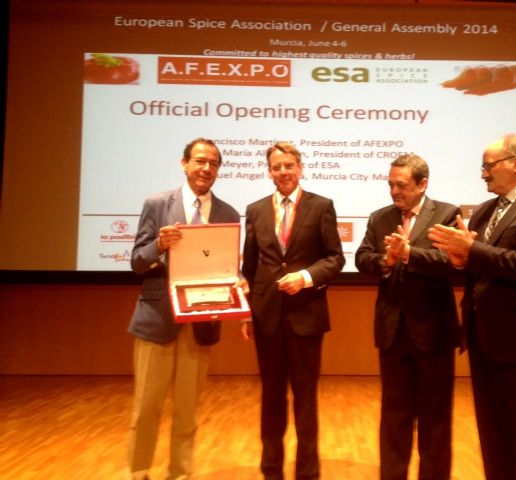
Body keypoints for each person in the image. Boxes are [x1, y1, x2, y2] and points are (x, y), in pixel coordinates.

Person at [428, 134, 516, 480]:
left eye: (488, 166)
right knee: (493, 436)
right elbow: (481, 265)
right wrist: (460, 260)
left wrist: (472, 250)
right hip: (483, 339)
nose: (483, 174)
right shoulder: (484, 211)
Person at [127, 138, 244, 480]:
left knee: (187, 409)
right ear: (184, 163)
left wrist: (238, 281)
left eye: (213, 164)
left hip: (201, 321)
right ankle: (138, 471)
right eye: (199, 161)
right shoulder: (157, 203)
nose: (206, 168)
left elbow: (227, 268)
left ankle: (180, 472)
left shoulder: (227, 214)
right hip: (157, 320)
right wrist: (158, 245)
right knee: (146, 407)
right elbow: (137, 262)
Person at [241, 141, 345, 480]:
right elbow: (249, 268)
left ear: (300, 168)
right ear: (269, 171)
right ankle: (271, 470)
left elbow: (335, 259)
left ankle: (307, 473)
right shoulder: (255, 210)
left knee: (305, 399)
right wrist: (246, 312)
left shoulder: (321, 206)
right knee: (271, 398)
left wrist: (305, 277)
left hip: (307, 316)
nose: (283, 172)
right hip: (267, 317)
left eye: (289, 165)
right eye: (276, 167)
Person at [355, 154, 461, 480]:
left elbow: (451, 262)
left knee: (436, 420)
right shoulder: (380, 217)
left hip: (434, 333)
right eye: (390, 185)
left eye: (401, 185)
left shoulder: (446, 214)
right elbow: (362, 258)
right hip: (392, 332)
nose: (394, 191)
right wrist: (386, 261)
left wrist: (410, 254)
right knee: (394, 417)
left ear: (422, 184)